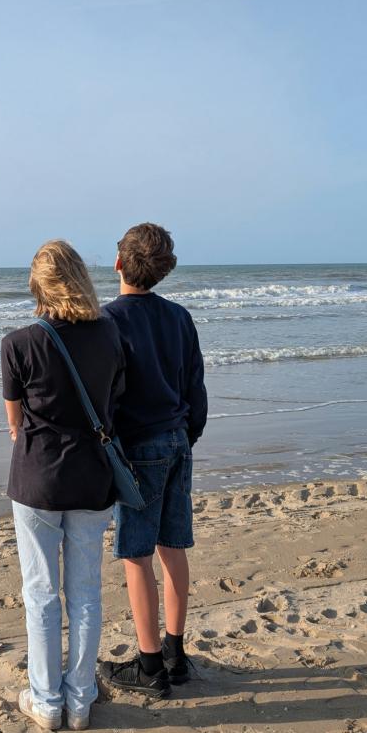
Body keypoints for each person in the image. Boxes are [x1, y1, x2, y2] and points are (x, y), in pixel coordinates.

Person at [2, 240, 125, 731]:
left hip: (38, 478)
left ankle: (46, 701)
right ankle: (80, 700)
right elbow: (116, 399)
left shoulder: (19, 343)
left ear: (37, 286)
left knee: (41, 592)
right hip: (93, 475)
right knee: (86, 592)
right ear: (82, 279)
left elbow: (14, 422)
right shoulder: (111, 335)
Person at [99, 222, 207, 698]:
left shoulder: (108, 322)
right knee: (172, 547)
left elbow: (106, 395)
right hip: (178, 437)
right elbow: (195, 387)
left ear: (119, 262)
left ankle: (149, 664)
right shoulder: (179, 318)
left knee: (137, 555)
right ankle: (175, 652)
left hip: (140, 446)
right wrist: (188, 432)